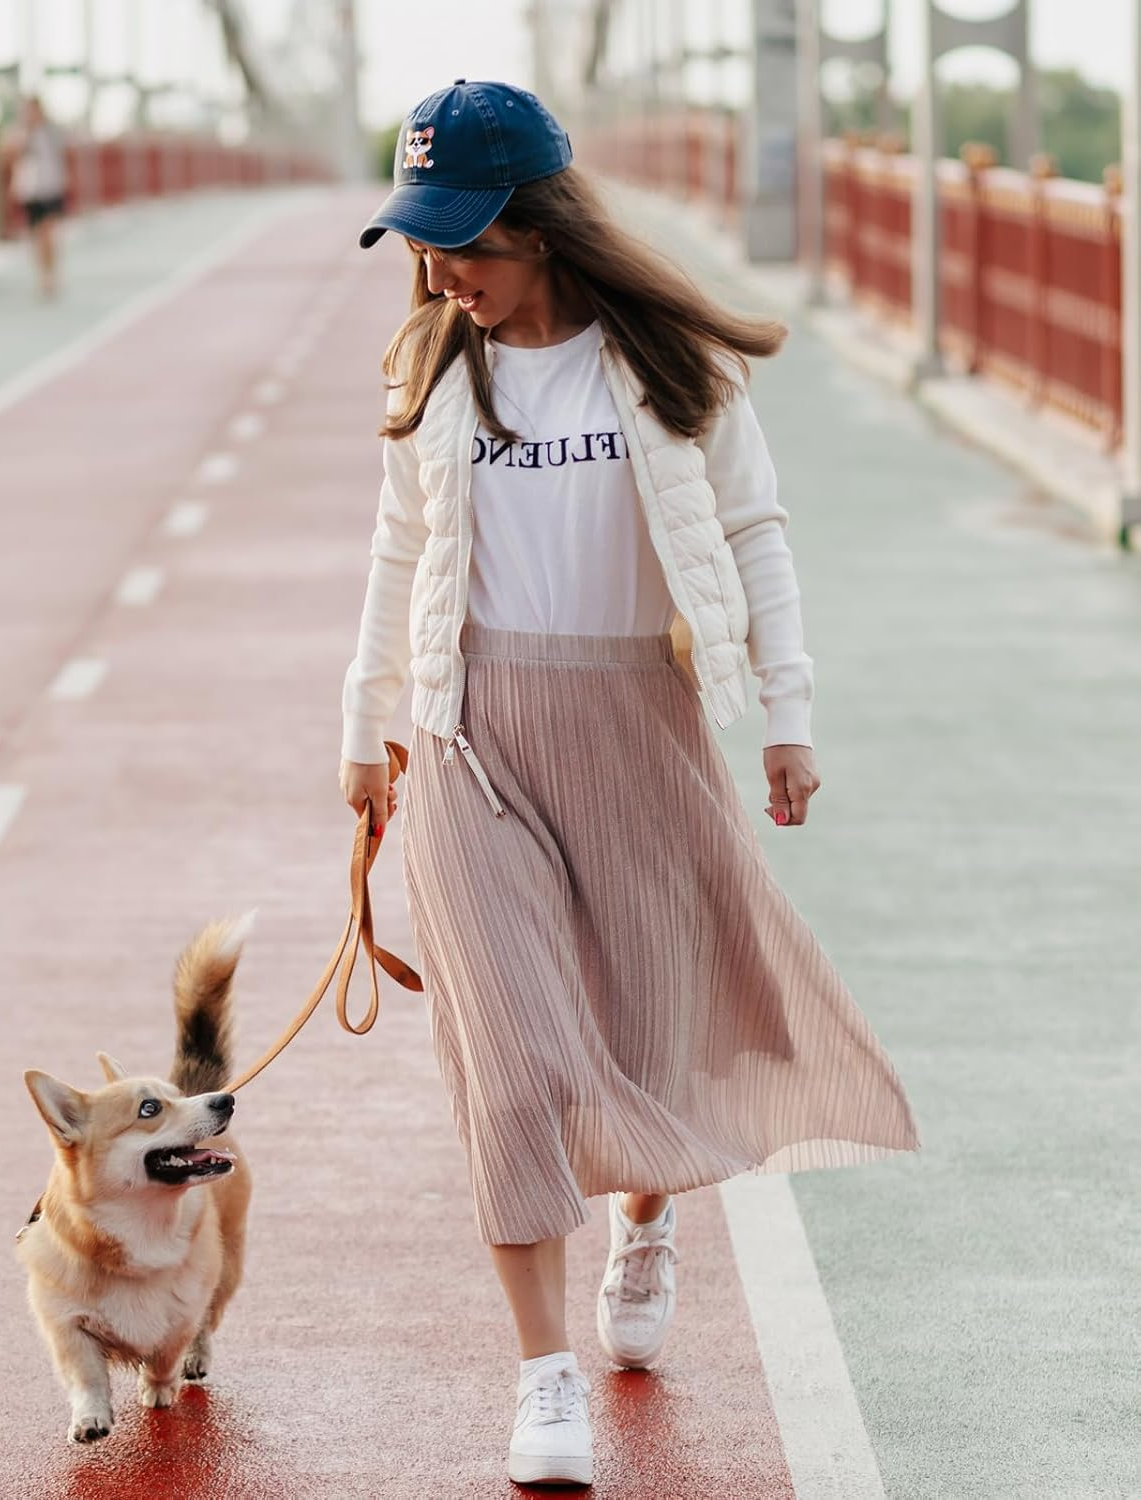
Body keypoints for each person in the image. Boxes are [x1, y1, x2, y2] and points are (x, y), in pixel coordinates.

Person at [339, 81, 921, 1489]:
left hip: (640, 722)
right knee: (519, 1055)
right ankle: (545, 1379)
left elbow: (755, 532)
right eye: (422, 246)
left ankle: (645, 1220)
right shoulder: (435, 371)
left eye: (463, 243)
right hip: (476, 736)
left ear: (540, 226)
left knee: (651, 1033)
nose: (441, 273)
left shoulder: (665, 369)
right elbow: (399, 556)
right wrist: (369, 733)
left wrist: (786, 718)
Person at [9, 95, 68, 298]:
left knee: (49, 233)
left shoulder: (51, 132)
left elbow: (61, 156)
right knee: (36, 236)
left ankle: (52, 274)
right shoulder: (21, 133)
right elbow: (14, 156)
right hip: (30, 190)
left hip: (50, 187)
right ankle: (42, 276)